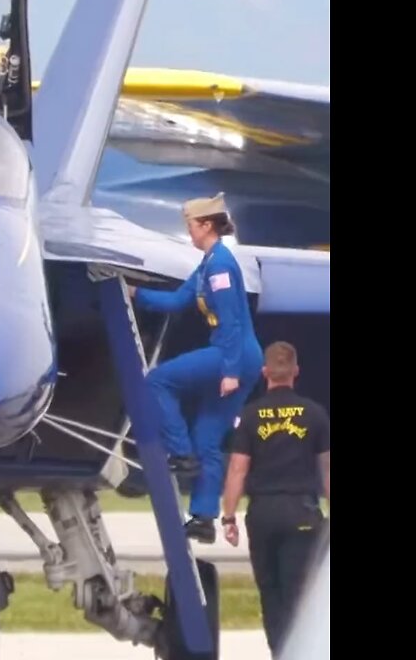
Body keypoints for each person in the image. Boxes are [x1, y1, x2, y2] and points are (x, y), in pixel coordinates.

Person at [129, 192, 265, 543]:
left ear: (206, 225)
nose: (187, 231)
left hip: (232, 353)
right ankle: (203, 517)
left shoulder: (219, 266)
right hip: (235, 355)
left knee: (158, 381)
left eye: (189, 225)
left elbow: (233, 321)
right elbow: (177, 301)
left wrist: (231, 371)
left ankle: (180, 452)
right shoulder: (207, 264)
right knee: (208, 437)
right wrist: (134, 294)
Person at [220, 341, 330, 659]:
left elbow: (238, 470)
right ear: (295, 372)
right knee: (299, 594)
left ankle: (279, 652)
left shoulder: (250, 416)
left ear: (264, 372)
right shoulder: (315, 414)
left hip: (262, 513)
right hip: (302, 511)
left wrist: (228, 517)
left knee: (270, 593)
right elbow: (327, 471)